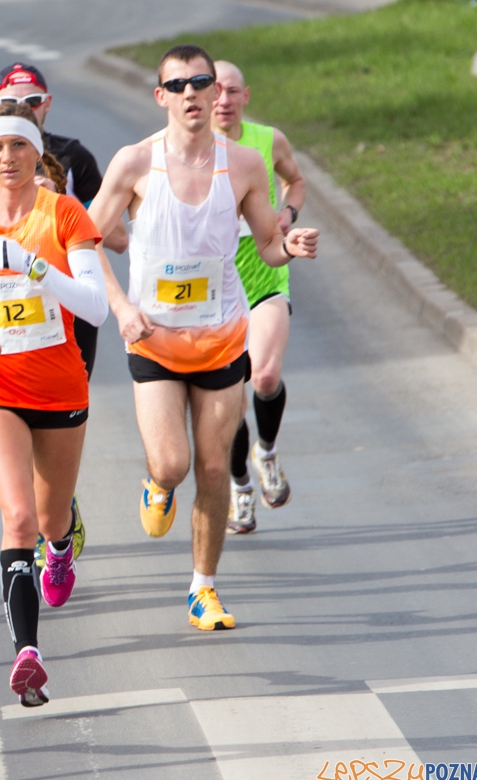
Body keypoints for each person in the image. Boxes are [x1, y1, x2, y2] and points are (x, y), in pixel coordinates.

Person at [87, 45, 318, 632]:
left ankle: (203, 589)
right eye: (179, 85)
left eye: (202, 83)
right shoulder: (135, 163)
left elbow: (266, 244)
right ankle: (157, 484)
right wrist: (120, 305)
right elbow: (82, 239)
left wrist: (288, 246)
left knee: (214, 470)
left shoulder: (242, 165)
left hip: (221, 337)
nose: (192, 94)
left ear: (218, 93)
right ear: (161, 96)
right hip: (155, 339)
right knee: (172, 463)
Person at [0, 102, 108, 707]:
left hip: (62, 386)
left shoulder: (63, 211)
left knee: (49, 519)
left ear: (37, 152)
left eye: (18, 146)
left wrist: (36, 268)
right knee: (16, 519)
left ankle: (60, 550)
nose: (7, 159)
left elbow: (94, 307)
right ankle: (28, 656)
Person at [0, 62, 107, 380]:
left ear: (47, 104)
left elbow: (117, 235)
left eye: (32, 101)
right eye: (12, 103)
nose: (7, 157)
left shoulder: (74, 158)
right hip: (1, 345)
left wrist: (55, 210)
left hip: (65, 309)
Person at [211, 60, 306, 535]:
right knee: (228, 400)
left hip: (266, 275)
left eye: (232, 91)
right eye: (216, 91)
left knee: (264, 376)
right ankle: (240, 485)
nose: (223, 100)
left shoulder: (268, 140)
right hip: (214, 288)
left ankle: (265, 452)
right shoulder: (187, 151)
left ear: (245, 95)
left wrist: (287, 212)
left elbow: (297, 179)